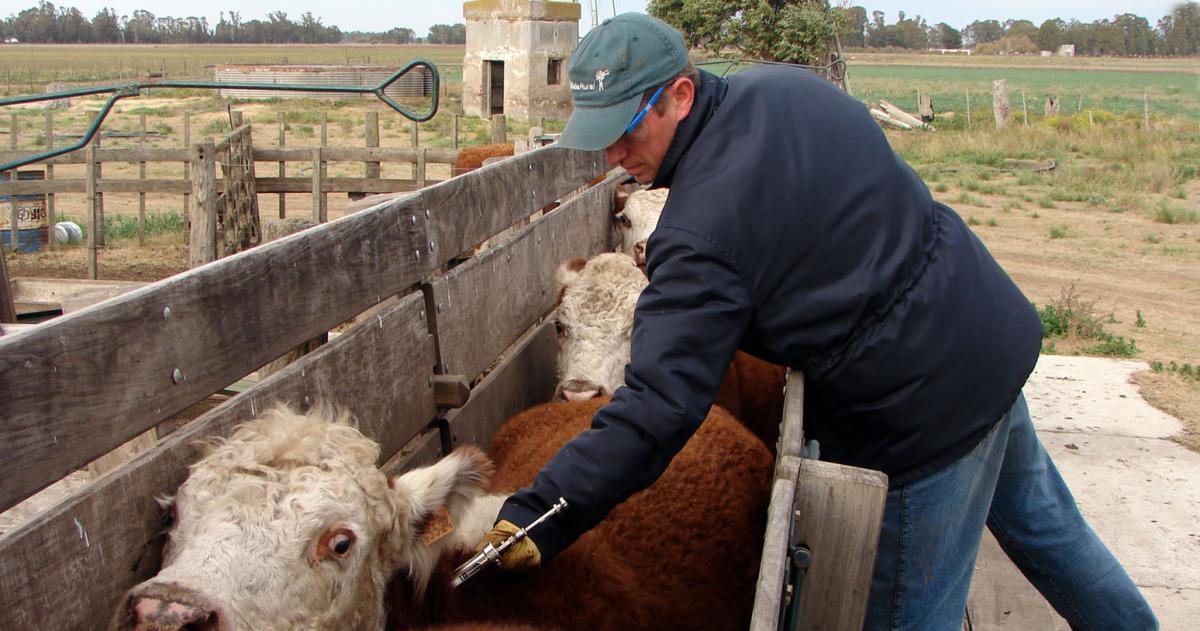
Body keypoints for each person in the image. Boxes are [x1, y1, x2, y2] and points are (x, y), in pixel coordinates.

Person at [476, 12, 1158, 631]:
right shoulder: (784, 89)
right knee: (1051, 536)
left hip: (921, 412)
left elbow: (659, 404)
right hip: (985, 336)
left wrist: (542, 509)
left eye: (628, 130)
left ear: (680, 95)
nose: (614, 156)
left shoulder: (701, 229)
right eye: (600, 135)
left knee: (907, 616)